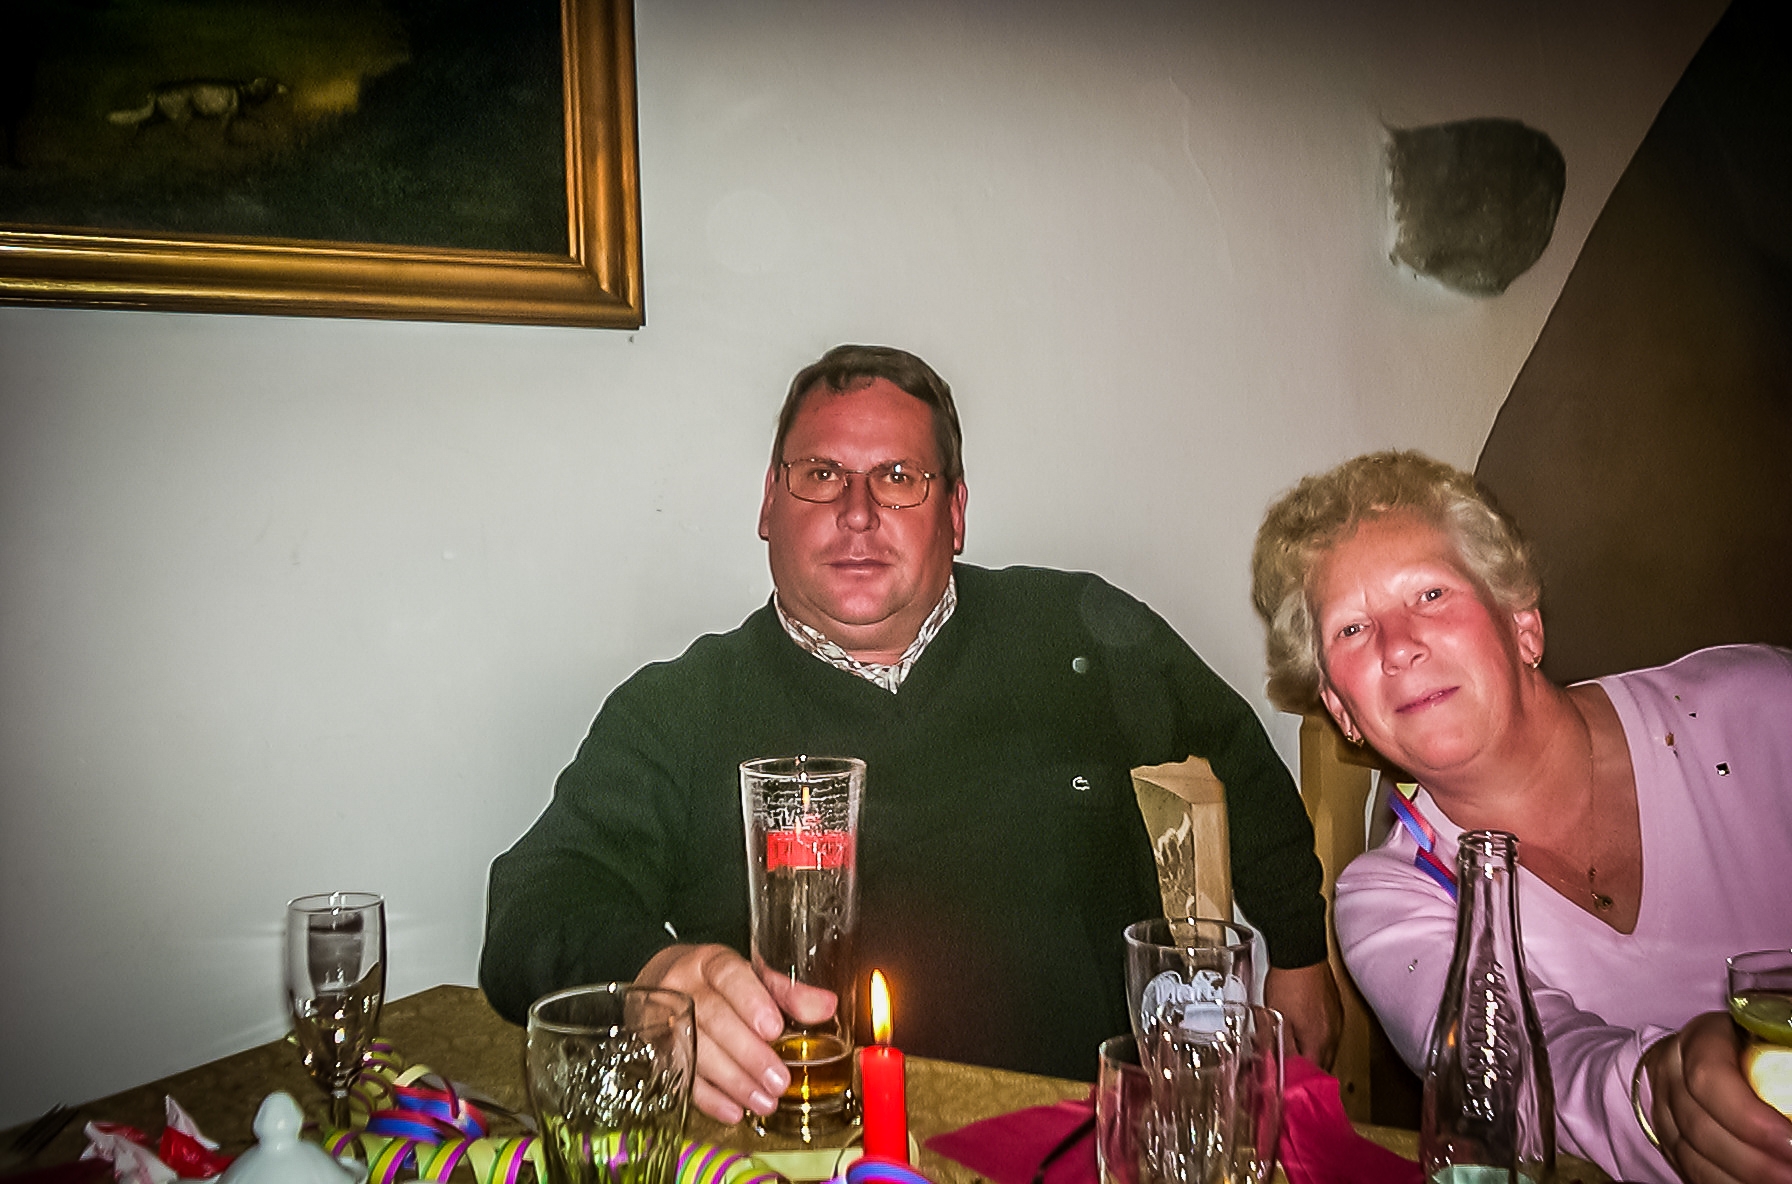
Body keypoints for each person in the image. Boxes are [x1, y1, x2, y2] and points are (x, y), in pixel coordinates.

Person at [481, 344, 1340, 1125]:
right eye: (821, 474)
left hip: (1082, 1137)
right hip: (804, 1147)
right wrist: (653, 979)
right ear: (769, 503)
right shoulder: (681, 708)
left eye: (898, 477)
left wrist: (1300, 955)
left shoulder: (1076, 633)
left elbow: (1235, 748)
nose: (857, 512)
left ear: (955, 513)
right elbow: (537, 902)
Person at [1250, 449, 1792, 1184]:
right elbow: (1517, 1077)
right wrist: (1657, 1094)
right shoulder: (1390, 903)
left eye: (1431, 594)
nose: (1399, 646)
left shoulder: (1760, 711)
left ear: (1523, 625)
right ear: (1342, 711)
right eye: (1351, 629)